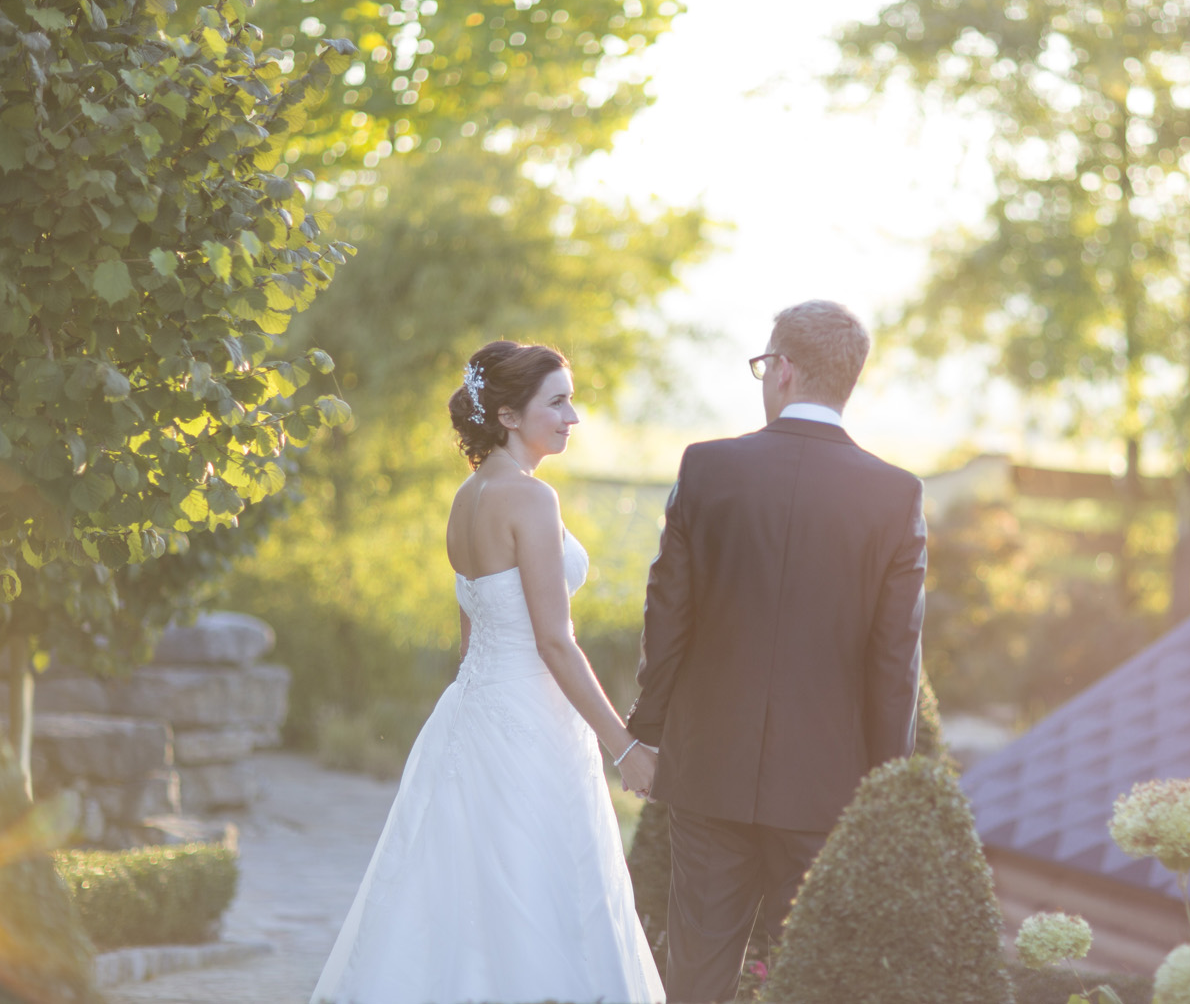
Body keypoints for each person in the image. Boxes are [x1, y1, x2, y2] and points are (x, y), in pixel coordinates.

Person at [310, 340, 665, 1004]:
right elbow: (555, 642)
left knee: (462, 899)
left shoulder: (467, 497)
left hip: (471, 716)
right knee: (535, 891)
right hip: (530, 724)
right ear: (507, 415)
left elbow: (472, 631)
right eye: (557, 402)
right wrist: (625, 747)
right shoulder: (530, 500)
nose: (573, 417)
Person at [626, 300, 928, 1004]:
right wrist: (886, 793)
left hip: (709, 773)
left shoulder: (707, 467)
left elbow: (667, 619)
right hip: (826, 789)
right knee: (816, 983)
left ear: (784, 369)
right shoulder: (896, 495)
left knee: (695, 979)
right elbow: (895, 663)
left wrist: (647, 730)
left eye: (764, 364)